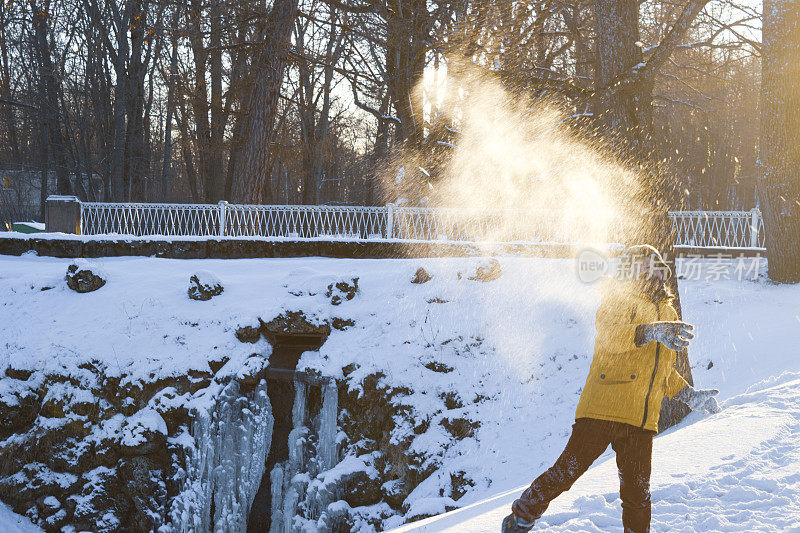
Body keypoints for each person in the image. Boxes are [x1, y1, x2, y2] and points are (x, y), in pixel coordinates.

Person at [502, 244, 720, 533]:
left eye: (654, 263)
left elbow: (660, 369)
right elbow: (610, 338)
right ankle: (522, 514)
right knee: (567, 473)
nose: (649, 269)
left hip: (640, 421)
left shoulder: (667, 309)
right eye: (642, 264)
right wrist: (650, 331)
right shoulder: (618, 296)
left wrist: (689, 395)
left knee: (637, 494)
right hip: (603, 409)